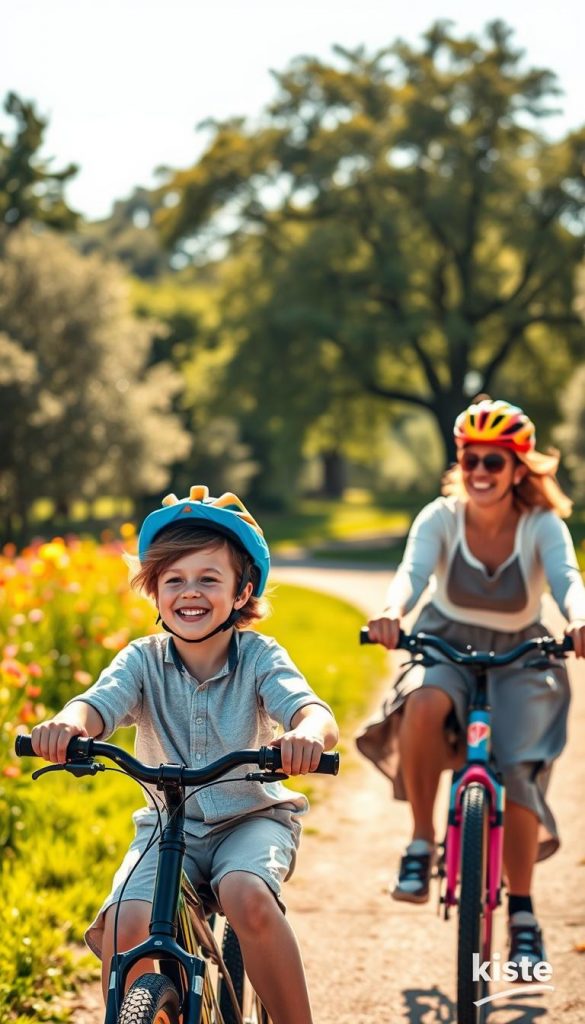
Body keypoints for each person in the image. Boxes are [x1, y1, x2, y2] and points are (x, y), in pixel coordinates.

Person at [31, 485, 338, 1024]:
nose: (189, 592)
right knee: (127, 923)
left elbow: (313, 713)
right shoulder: (141, 661)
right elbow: (96, 704)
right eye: (173, 579)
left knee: (246, 896)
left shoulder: (259, 657)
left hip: (250, 818)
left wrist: (307, 734)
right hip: (165, 823)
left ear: (242, 593)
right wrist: (66, 725)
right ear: (154, 592)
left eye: (208, 579)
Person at [356, 398, 585, 975]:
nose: (480, 473)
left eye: (494, 462)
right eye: (471, 459)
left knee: (521, 768)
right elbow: (409, 576)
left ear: (518, 470)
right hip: (444, 637)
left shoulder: (541, 525)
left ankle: (524, 914)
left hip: (521, 648)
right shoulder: (440, 517)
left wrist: (580, 619)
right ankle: (419, 843)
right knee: (424, 701)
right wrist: (391, 612)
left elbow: (567, 581)